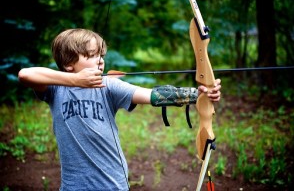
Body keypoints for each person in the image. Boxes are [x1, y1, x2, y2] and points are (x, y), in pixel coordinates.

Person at [18, 28, 221, 191]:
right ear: (68, 63)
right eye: (91, 55)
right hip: (73, 185)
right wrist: (74, 80)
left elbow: (151, 95)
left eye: (101, 55)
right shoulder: (56, 89)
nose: (100, 60)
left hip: (112, 182)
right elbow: (25, 74)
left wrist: (199, 95)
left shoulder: (108, 85)